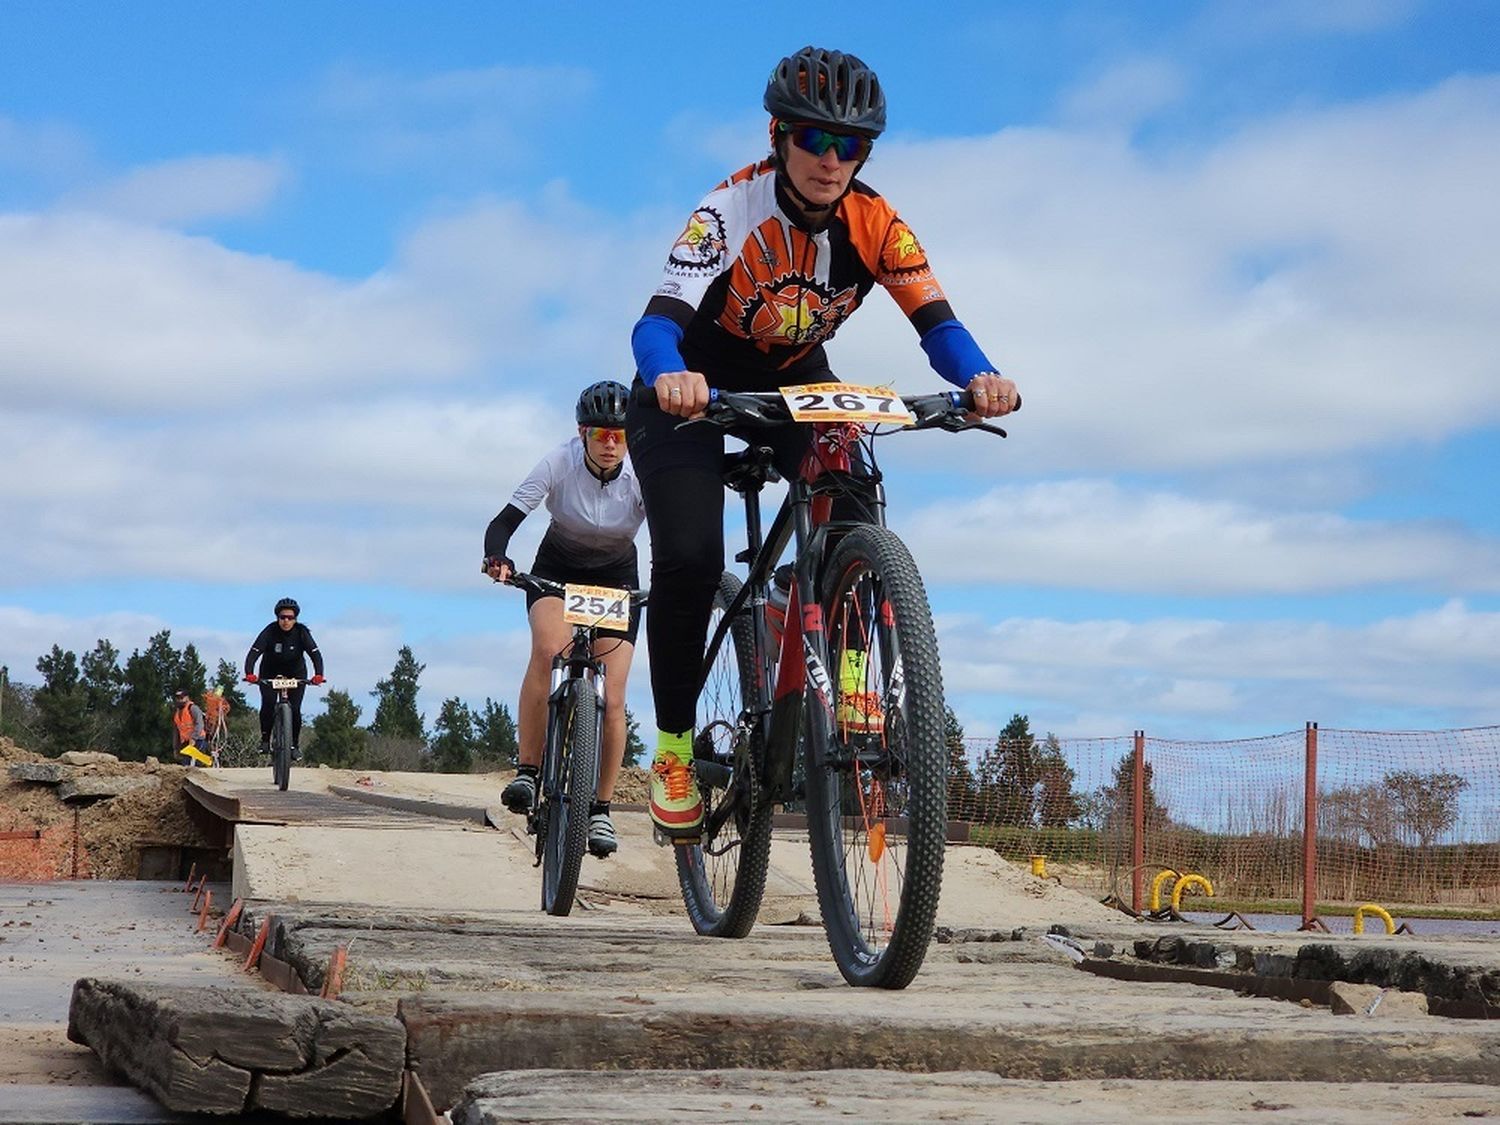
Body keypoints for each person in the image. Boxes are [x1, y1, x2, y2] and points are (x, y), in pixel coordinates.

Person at [627, 46, 1020, 839]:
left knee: (851, 477)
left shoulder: (878, 223)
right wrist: (673, 376)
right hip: (691, 385)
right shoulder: (727, 210)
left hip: (793, 378)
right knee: (691, 557)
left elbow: (938, 326)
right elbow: (655, 324)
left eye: (851, 147)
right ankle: (672, 749)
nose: (831, 160)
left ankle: (847, 665)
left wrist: (981, 377)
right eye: (814, 139)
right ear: (778, 136)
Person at [483, 381, 645, 858]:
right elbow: (506, 519)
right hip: (559, 570)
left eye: (621, 434)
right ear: (582, 433)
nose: (611, 443)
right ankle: (529, 772)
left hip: (618, 578)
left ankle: (601, 809)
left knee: (613, 695)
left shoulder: (643, 474)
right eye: (601, 433)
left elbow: (673, 534)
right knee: (548, 650)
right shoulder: (559, 461)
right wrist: (498, 556)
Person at [242, 597, 325, 759]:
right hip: (269, 672)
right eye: (283, 617)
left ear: (295, 619)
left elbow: (315, 654)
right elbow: (253, 653)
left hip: (296, 673)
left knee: (295, 709)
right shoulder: (269, 631)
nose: (286, 621)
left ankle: (294, 744)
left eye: (290, 618)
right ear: (277, 618)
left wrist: (319, 674)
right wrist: (250, 673)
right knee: (268, 703)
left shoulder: (302, 632)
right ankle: (265, 740)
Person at [171, 688, 207, 766]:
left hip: (198, 740)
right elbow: (176, 732)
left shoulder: (193, 708)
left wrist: (194, 738)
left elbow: (199, 724)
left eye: (181, 697)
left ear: (187, 697)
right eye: (177, 698)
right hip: (185, 742)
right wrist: (175, 748)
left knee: (197, 764)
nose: (179, 700)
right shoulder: (177, 713)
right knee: (185, 765)